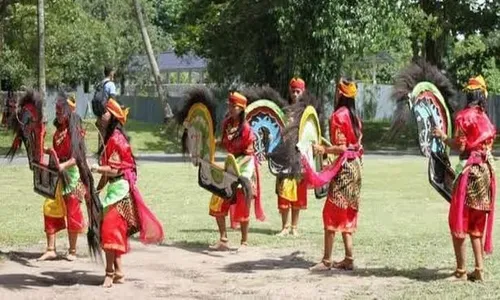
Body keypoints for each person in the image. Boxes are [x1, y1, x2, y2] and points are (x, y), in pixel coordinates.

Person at [91, 98, 164, 288]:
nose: (100, 116)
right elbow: (109, 172)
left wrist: (97, 169)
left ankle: (109, 274)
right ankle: (119, 272)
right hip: (114, 188)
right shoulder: (108, 137)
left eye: (104, 113)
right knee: (111, 231)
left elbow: (114, 171)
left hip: (120, 190)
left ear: (113, 117)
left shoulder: (116, 139)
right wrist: (96, 189)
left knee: (109, 230)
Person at [432, 75, 496, 282]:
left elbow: (460, 146)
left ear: (468, 95)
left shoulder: (465, 116)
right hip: (485, 171)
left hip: (469, 171)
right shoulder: (485, 118)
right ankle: (479, 269)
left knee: (458, 218)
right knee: (477, 220)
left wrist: (443, 137)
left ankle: (461, 271)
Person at [307, 78, 363, 271]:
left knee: (331, 211)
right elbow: (350, 145)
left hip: (345, 169)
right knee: (347, 211)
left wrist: (323, 149)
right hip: (356, 167)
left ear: (339, 94)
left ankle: (326, 260)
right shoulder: (355, 117)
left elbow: (340, 147)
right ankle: (349, 258)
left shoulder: (339, 116)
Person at [208, 91, 265, 251]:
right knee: (217, 200)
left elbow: (249, 154)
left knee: (242, 203)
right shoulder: (227, 124)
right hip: (231, 165)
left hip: (245, 167)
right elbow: (225, 144)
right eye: (230, 106)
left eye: (235, 106)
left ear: (242, 109)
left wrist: (237, 170)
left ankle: (244, 242)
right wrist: (211, 142)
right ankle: (223, 239)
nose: (231, 109)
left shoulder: (246, 129)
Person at [38, 94, 87, 261]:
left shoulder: (75, 132)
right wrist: (43, 150)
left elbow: (77, 158)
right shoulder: (57, 133)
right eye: (56, 112)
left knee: (72, 210)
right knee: (49, 205)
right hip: (57, 176)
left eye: (60, 112)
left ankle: (72, 251)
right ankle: (51, 248)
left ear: (68, 113)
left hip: (72, 176)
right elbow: (56, 154)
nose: (57, 114)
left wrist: (63, 166)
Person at [275, 77, 308, 236]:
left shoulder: (307, 112)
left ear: (303, 92)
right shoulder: (284, 110)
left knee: (298, 192)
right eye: (293, 91)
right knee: (283, 191)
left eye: (298, 91)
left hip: (300, 156)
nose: (295, 94)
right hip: (284, 156)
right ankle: (284, 226)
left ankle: (294, 227)